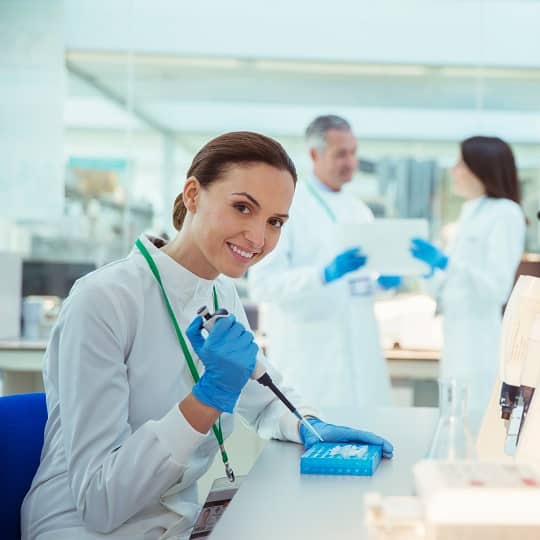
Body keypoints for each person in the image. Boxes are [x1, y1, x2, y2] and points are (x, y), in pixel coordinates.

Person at [22, 132, 393, 540]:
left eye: (275, 222)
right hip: (81, 527)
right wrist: (206, 399)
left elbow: (264, 398)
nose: (258, 238)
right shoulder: (104, 299)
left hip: (176, 524)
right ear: (193, 194)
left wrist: (311, 426)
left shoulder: (220, 292)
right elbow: (99, 500)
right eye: (242, 208)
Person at [248, 115, 398, 415]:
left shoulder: (360, 211)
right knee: (306, 443)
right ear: (314, 154)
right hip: (309, 357)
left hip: (360, 355)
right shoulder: (288, 205)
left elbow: (356, 285)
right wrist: (323, 275)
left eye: (353, 152)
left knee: (364, 437)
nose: (350, 161)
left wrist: (380, 285)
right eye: (340, 154)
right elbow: (262, 284)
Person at [410, 135, 526, 431]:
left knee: (475, 426)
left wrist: (445, 264)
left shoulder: (505, 213)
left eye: (461, 163)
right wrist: (427, 271)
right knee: (453, 424)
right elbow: (448, 289)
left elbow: (497, 288)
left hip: (480, 343)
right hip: (454, 341)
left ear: (481, 168)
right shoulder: (468, 213)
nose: (453, 170)